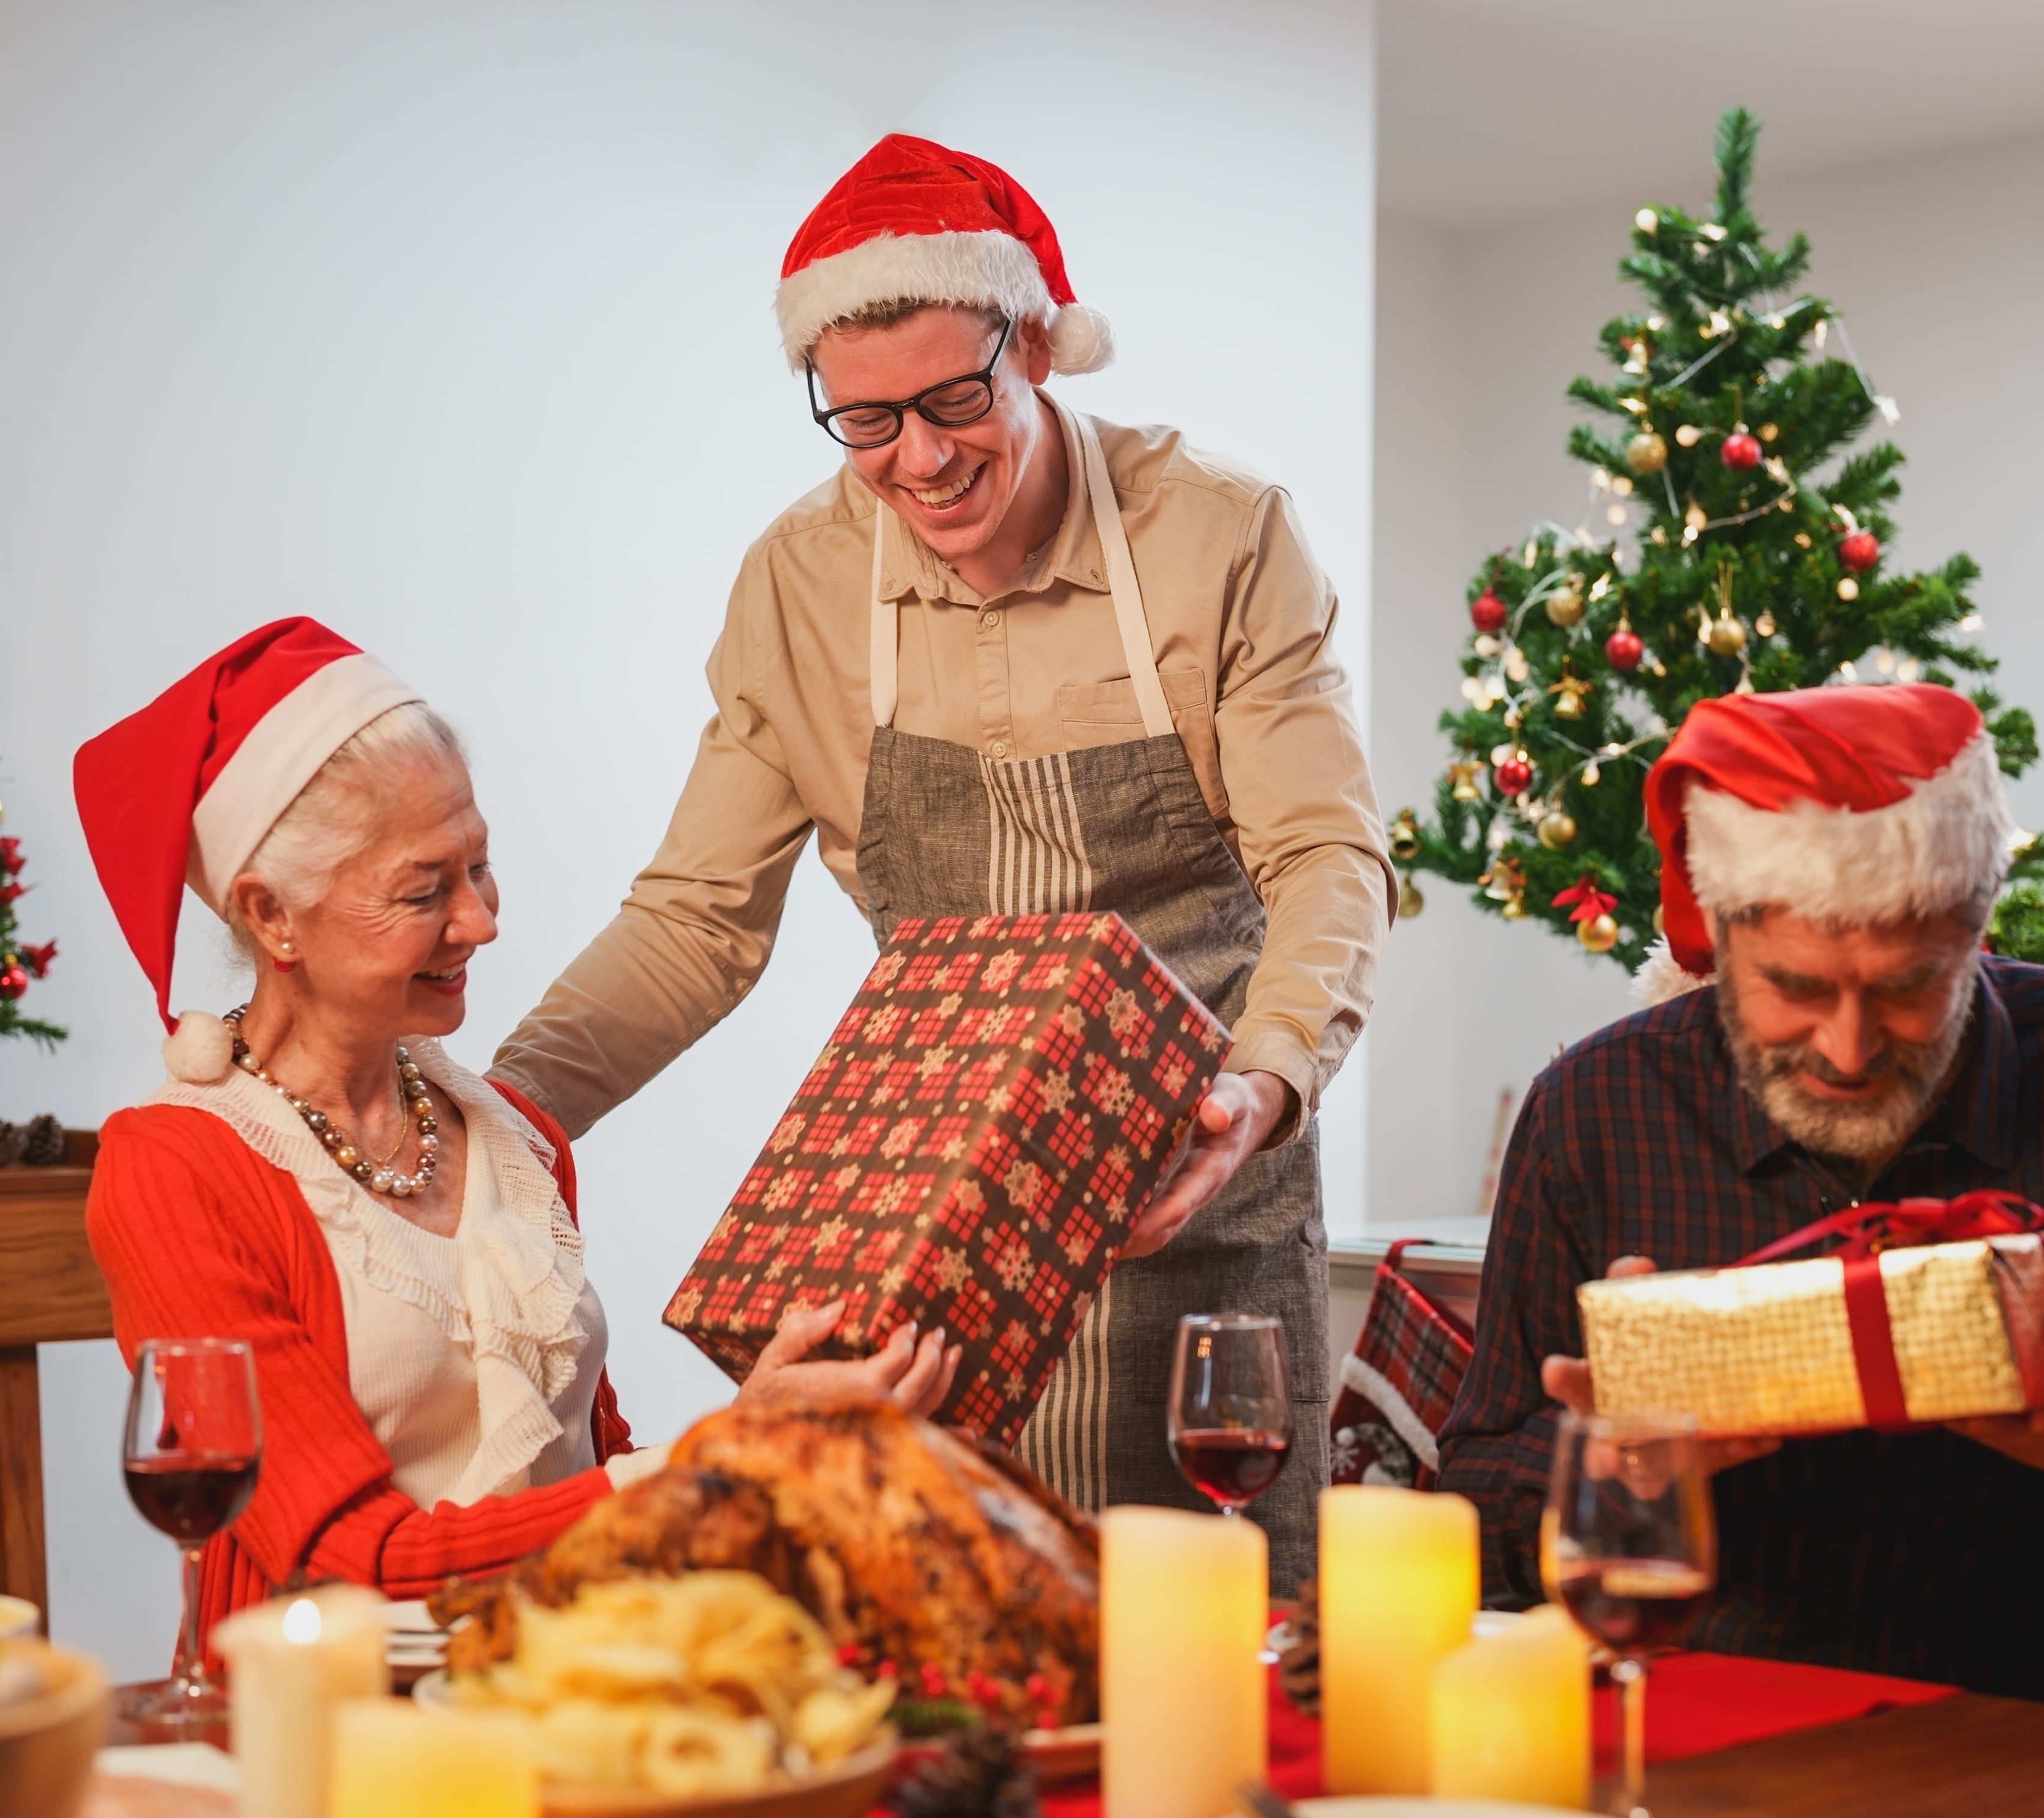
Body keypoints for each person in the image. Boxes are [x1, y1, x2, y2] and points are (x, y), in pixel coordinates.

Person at [490, 136, 1389, 1582]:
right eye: (863, 422)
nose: (917, 459)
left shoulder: (1220, 533)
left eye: (955, 400)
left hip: (1195, 1187)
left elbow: (1328, 855)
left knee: (1204, 1671)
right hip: (936, 1245)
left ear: (1036, 343)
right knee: (955, 1657)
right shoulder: (800, 578)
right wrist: (497, 1117)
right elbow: (695, 920)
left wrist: (1260, 1082)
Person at [72, 620, 954, 1641]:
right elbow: (360, 1563)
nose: (481, 921)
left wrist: (777, 1428)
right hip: (335, 1746)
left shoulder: (517, 1139)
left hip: (557, 1700)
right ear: (272, 915)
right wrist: (727, 1454)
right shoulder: (176, 1169)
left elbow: (589, 1475)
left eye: (479, 867)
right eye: (424, 889)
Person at [1433, 681, 2044, 1699]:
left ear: (1977, 932)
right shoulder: (1598, 1110)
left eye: (1909, 986)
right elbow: (1472, 1498)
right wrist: (1603, 1470)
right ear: (1720, 936)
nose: (1848, 1046)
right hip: (1713, 1726)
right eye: (1795, 985)